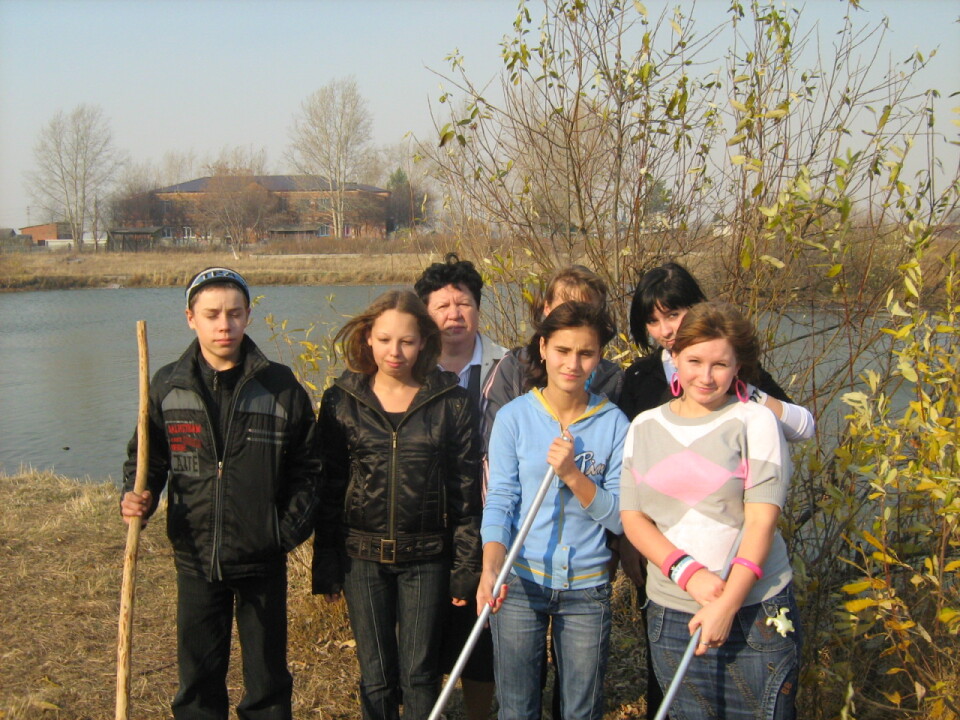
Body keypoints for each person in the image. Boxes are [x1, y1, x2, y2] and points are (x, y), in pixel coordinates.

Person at [120, 266, 321, 719]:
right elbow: (146, 461)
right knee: (198, 682)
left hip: (261, 559)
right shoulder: (168, 386)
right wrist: (138, 498)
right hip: (195, 557)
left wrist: (280, 533)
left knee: (268, 681)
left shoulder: (280, 386)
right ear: (191, 318)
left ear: (248, 315)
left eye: (234, 313)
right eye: (212, 314)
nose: (223, 324)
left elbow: (310, 471)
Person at [617, 261, 812, 718]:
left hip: (756, 608)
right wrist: (688, 573)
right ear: (676, 361)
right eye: (694, 362)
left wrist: (727, 601)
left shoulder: (754, 417)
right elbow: (634, 517)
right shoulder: (644, 424)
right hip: (671, 607)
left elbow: (763, 519)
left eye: (720, 365)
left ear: (736, 366)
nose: (706, 376)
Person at [310, 290, 482, 720]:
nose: (395, 351)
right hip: (361, 558)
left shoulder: (452, 403)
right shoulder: (341, 400)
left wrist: (465, 569)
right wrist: (326, 564)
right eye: (385, 339)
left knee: (420, 674)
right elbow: (330, 489)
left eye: (406, 341)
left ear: (423, 341)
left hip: (427, 558)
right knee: (376, 675)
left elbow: (465, 493)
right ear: (368, 338)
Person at [481, 264, 624, 716]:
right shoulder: (514, 417)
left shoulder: (614, 423)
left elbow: (620, 516)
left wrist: (574, 477)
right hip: (520, 579)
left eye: (585, 354)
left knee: (580, 710)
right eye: (562, 350)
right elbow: (500, 499)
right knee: (517, 707)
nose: (572, 364)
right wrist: (491, 567)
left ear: (599, 358)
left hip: (587, 587)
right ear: (542, 348)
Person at [414, 252, 506, 718]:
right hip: (424, 525)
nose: (454, 314)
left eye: (464, 303)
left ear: (478, 308)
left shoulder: (507, 369)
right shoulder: (407, 372)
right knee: (420, 633)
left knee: (481, 631)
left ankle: (479, 712)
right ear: (425, 315)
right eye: (442, 306)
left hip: (488, 520)